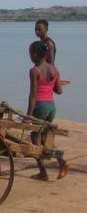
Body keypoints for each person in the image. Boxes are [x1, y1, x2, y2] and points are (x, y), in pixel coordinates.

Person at [26, 40, 69, 181]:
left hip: (40, 106)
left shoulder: (34, 71)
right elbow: (59, 91)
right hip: (51, 106)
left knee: (35, 140)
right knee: (46, 137)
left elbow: (33, 94)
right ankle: (62, 162)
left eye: (30, 54)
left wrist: (28, 115)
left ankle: (43, 173)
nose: (30, 56)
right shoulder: (54, 69)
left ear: (35, 55)